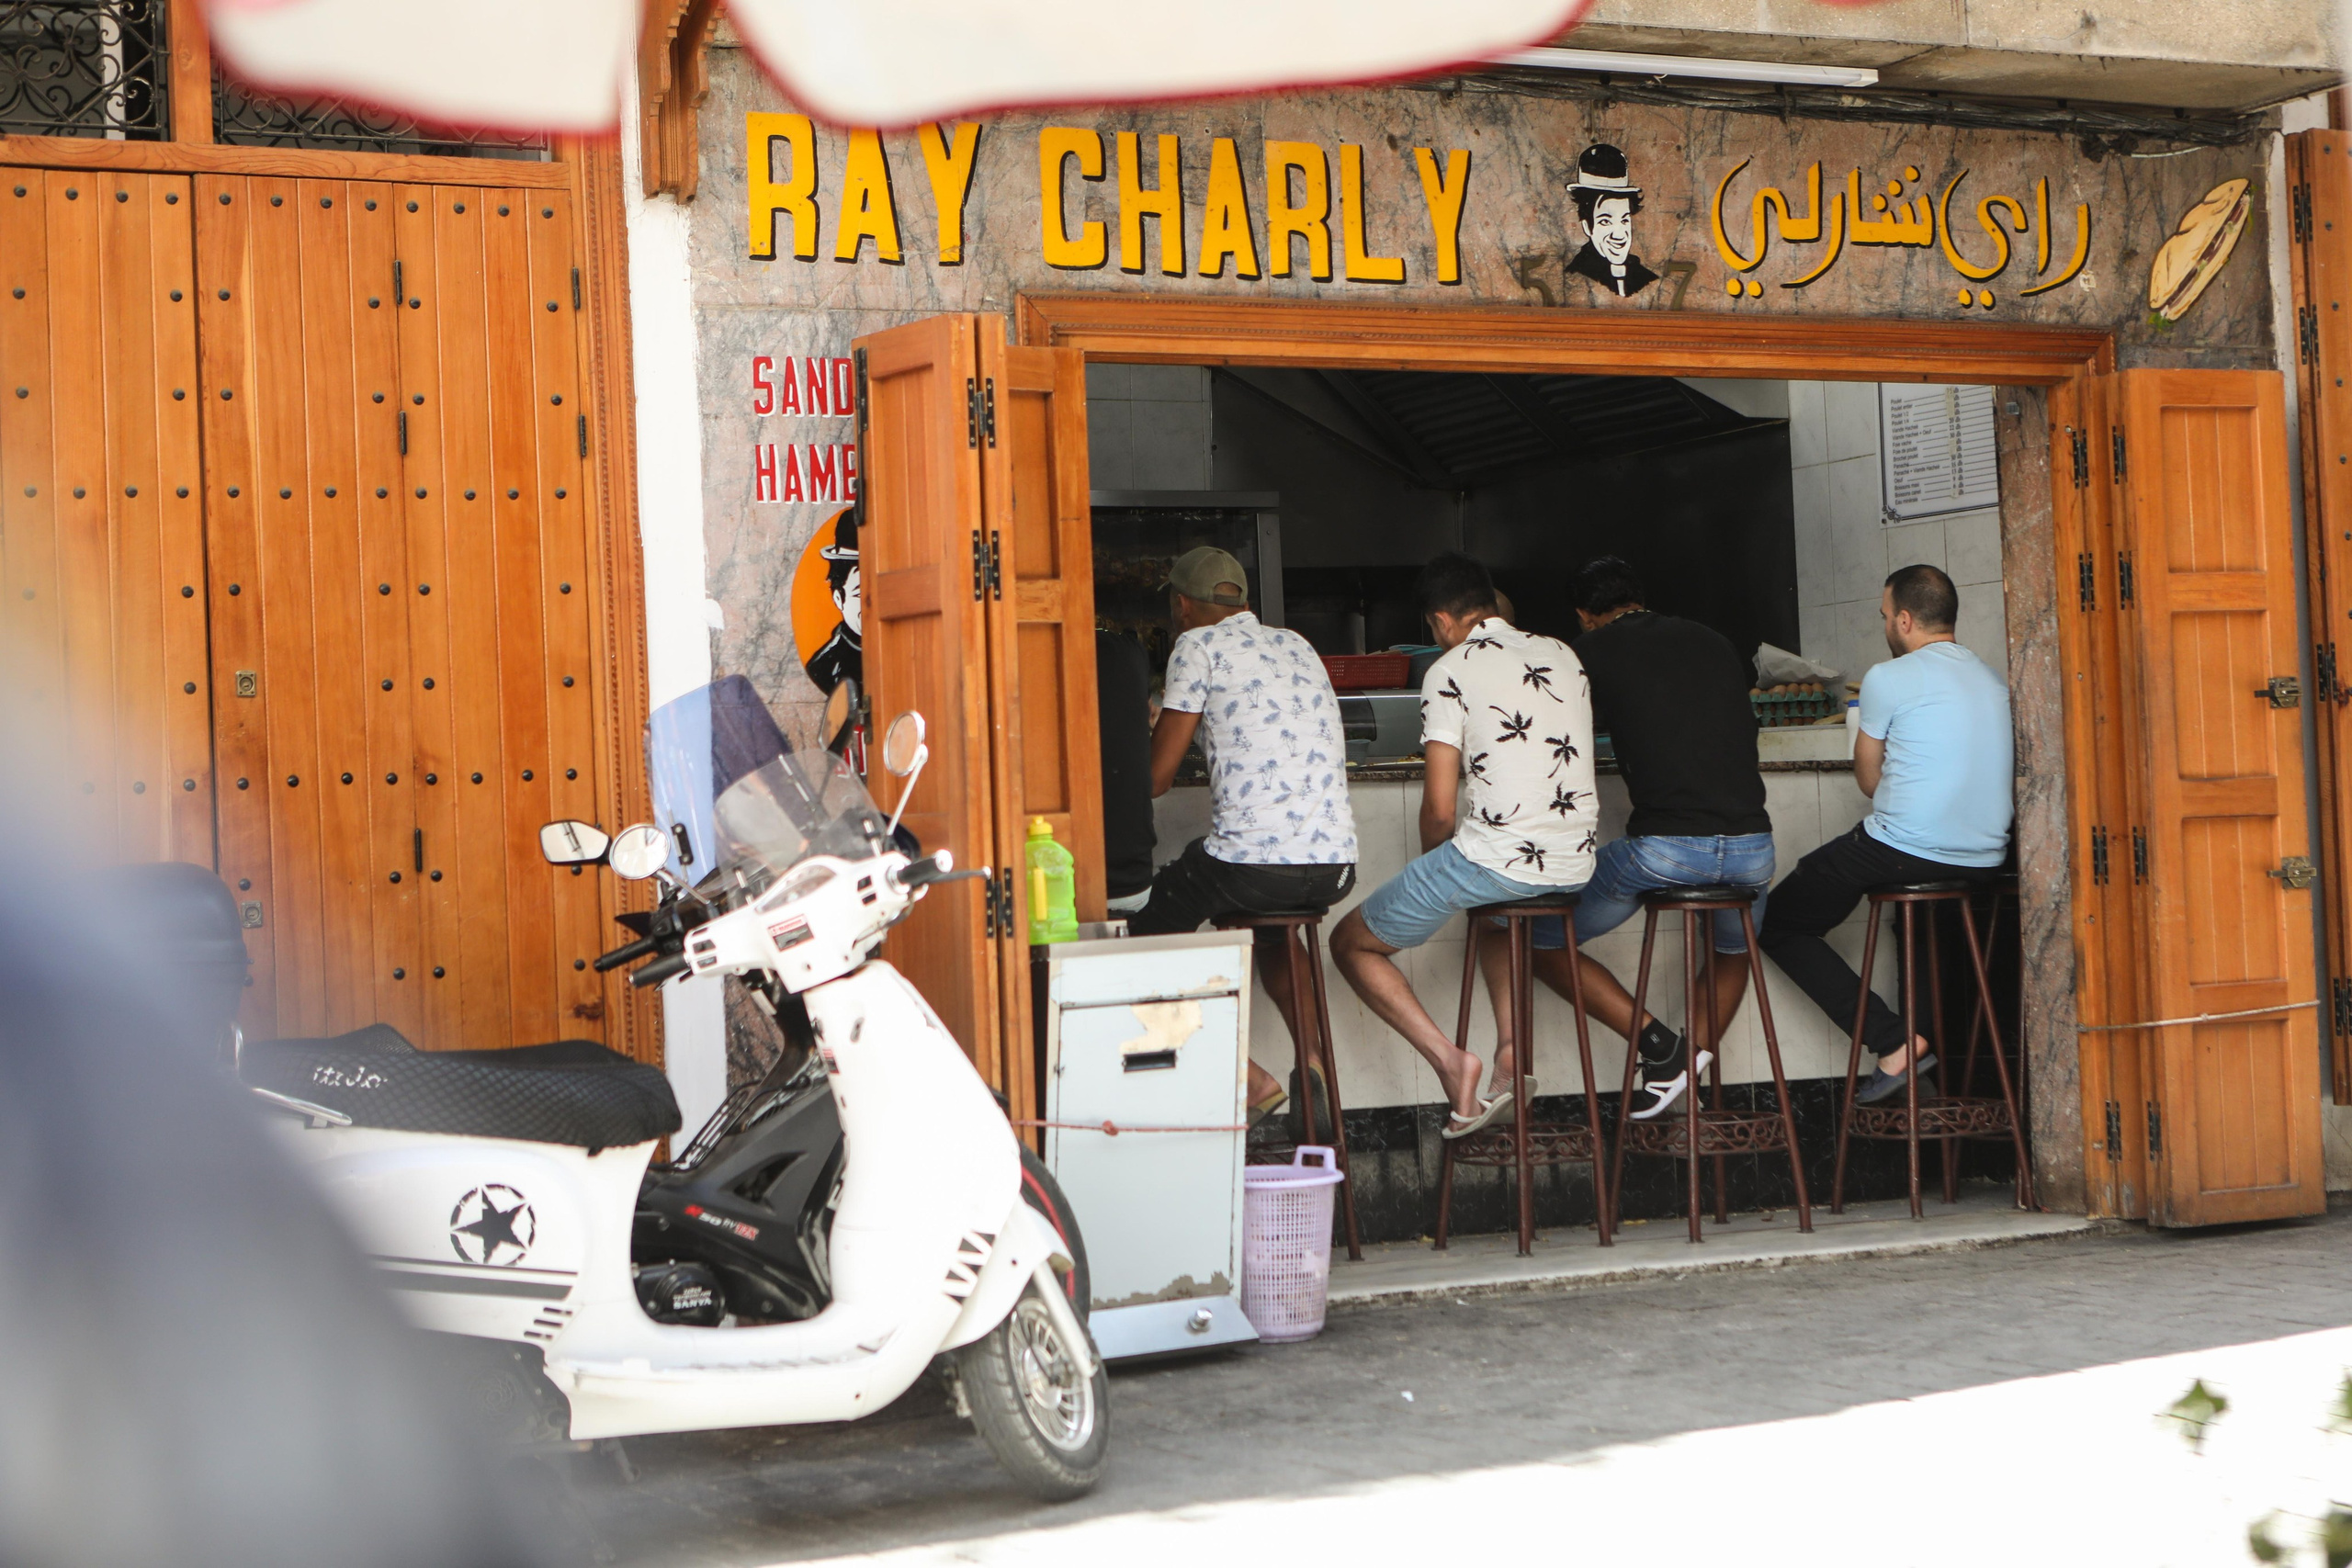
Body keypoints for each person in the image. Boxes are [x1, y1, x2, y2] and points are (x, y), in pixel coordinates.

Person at [1330, 553, 1599, 1139]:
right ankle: (1509, 1053)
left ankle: (1453, 1065)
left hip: (1501, 860)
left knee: (1351, 943)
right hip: (1576, 863)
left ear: (1441, 621)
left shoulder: (1449, 669)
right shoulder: (1563, 653)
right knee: (1492, 912)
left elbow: (1440, 809)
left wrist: (1432, 865)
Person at [1514, 558, 1773, 1120]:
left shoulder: (1586, 653)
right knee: (1735, 950)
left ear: (1584, 615)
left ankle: (1661, 1048)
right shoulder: (1714, 640)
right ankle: (1683, 1070)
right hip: (1755, 850)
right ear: (1639, 596)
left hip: (1666, 852)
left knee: (1532, 937)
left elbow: (1557, 736)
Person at [1758, 564, 2012, 1104]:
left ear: (1903, 619)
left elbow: (1870, 783)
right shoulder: (1993, 678)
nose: (1883, 627)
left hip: (1904, 852)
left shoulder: (1886, 678)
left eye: (1882, 616)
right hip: (1987, 862)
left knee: (1778, 924)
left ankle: (1893, 1041)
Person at [1128, 546, 1358, 1122]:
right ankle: (1312, 1061)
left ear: (1182, 605)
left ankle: (1247, 1077)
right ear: (1244, 602)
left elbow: (1156, 778)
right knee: (1278, 934)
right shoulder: (1298, 643)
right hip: (1334, 868)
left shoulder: (1196, 646)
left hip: (1251, 867)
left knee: (1134, 940)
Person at [1095, 628, 1157, 916]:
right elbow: (1154, 782)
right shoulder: (1128, 651)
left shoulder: (1039, 651)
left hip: (1055, 889)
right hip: (1135, 882)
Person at [1565, 143, 1658, 299]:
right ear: (1588, 227)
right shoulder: (1574, 278)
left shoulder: (1645, 279)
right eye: (1606, 222)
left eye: (1624, 220)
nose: (1619, 235)